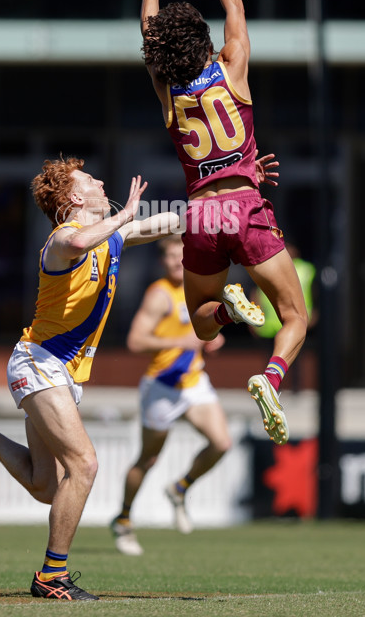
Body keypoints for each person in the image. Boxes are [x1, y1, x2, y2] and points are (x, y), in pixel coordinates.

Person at [0, 156, 180, 601]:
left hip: (54, 370)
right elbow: (78, 242)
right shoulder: (61, 240)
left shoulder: (109, 236)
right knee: (85, 465)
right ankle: (51, 577)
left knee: (46, 486)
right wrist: (122, 216)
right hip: (39, 363)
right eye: (90, 180)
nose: (102, 181)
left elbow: (167, 223)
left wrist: (225, 202)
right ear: (76, 198)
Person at [141, 0, 308, 445]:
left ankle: (229, 307)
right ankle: (272, 377)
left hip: (201, 216)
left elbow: (148, 30)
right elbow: (236, 11)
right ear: (205, 40)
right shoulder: (231, 67)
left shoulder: (169, 93)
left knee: (202, 324)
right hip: (246, 205)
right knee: (294, 316)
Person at [110, 235, 228, 555]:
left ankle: (180, 488)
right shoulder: (159, 294)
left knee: (221, 443)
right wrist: (180, 343)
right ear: (163, 262)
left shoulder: (199, 289)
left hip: (193, 382)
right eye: (172, 257)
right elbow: (135, 341)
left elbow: (204, 332)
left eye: (183, 256)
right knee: (148, 459)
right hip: (162, 385)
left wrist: (210, 339)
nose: (178, 262)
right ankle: (123, 520)